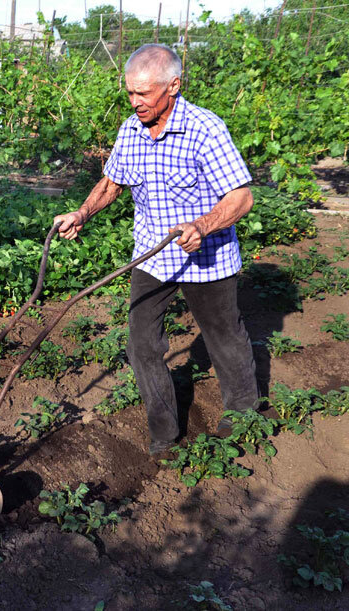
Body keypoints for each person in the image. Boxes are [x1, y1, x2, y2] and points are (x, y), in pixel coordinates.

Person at [53, 44, 258, 459]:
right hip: (153, 255)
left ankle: (244, 416)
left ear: (174, 86)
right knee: (142, 344)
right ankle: (165, 434)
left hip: (208, 257)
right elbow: (113, 183)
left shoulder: (206, 128)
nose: (135, 102)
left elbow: (241, 197)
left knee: (224, 338)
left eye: (143, 93)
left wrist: (202, 225)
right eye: (130, 93)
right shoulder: (131, 129)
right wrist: (82, 213)